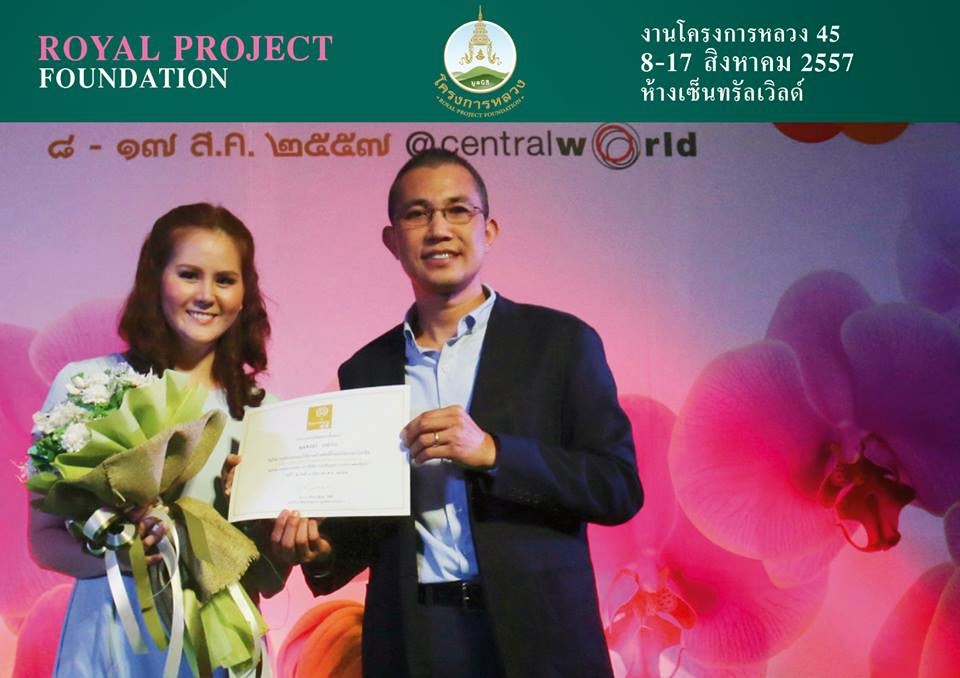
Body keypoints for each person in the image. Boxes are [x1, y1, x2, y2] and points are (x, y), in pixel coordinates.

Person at [271, 149, 644, 677]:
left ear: (488, 230)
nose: (439, 228)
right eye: (417, 213)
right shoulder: (366, 368)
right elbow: (372, 524)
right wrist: (323, 549)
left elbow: (616, 487)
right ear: (392, 240)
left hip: (540, 636)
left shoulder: (560, 343)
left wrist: (493, 452)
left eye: (457, 210)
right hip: (415, 637)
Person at [27, 202, 282, 677]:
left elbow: (269, 573)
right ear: (155, 279)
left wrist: (270, 533)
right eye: (189, 275)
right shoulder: (87, 386)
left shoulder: (265, 411)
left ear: (245, 293)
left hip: (220, 649)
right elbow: (43, 539)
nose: (206, 295)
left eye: (225, 280)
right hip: (114, 639)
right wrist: (120, 559)